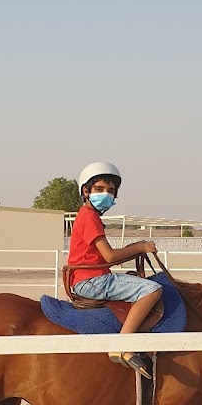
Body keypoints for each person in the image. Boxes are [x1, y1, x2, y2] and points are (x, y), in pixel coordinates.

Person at [67, 161, 161, 378]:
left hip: (89, 276)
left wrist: (130, 250)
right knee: (153, 290)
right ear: (86, 191)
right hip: (92, 280)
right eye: (99, 189)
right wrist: (141, 247)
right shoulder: (90, 217)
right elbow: (109, 256)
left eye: (110, 191)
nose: (106, 195)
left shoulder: (87, 216)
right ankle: (123, 343)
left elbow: (102, 256)